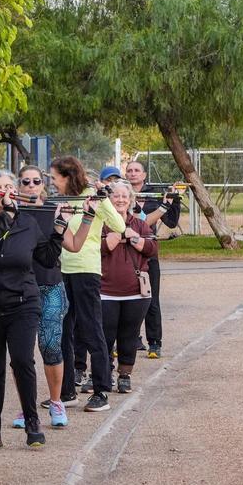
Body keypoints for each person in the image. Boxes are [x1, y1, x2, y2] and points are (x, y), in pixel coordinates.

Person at [0, 170, 66, 449]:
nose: (5, 192)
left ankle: (32, 422)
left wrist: (58, 231)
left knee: (22, 360)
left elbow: (47, 258)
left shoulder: (28, 223)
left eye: (9, 186)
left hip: (24, 302)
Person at [16, 165, 94, 427]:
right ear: (18, 185)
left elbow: (73, 245)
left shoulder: (52, 210)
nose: (30, 185)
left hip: (50, 287)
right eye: (25, 181)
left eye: (36, 181)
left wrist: (87, 219)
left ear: (42, 184)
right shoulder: (12, 213)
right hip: (19, 289)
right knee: (21, 354)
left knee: (50, 347)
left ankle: (57, 401)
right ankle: (26, 407)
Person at [50, 156, 127, 412]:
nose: (52, 183)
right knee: (63, 331)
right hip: (63, 270)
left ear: (67, 176)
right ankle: (67, 390)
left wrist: (102, 199)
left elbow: (119, 225)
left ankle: (102, 389)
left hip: (86, 270)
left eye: (54, 178)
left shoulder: (91, 195)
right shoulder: (61, 200)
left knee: (91, 329)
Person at [99, 181, 157, 393]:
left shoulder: (140, 225)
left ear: (130, 199)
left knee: (129, 335)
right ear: (108, 199)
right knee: (104, 336)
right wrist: (112, 240)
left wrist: (135, 239)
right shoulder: (101, 223)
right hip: (105, 291)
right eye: (116, 196)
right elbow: (96, 249)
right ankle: (104, 374)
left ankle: (125, 374)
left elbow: (152, 249)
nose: (120, 199)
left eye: (124, 196)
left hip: (135, 292)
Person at [124, 160, 182, 359]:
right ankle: (130, 339)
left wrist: (175, 200)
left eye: (136, 170)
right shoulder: (121, 195)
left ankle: (154, 343)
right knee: (126, 300)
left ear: (144, 174)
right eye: (129, 170)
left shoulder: (154, 196)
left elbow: (171, 222)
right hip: (125, 254)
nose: (133, 174)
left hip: (147, 253)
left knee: (151, 299)